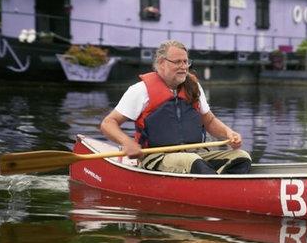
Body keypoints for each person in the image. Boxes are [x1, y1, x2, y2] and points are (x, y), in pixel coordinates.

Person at [100, 40, 251, 174]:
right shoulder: (140, 90)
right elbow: (108, 123)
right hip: (157, 157)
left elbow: (209, 121)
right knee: (193, 162)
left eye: (186, 62)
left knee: (242, 157)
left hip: (196, 153)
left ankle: (218, 183)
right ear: (161, 63)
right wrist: (127, 143)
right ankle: (211, 181)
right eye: (178, 62)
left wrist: (229, 133)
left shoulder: (194, 87)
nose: (184, 67)